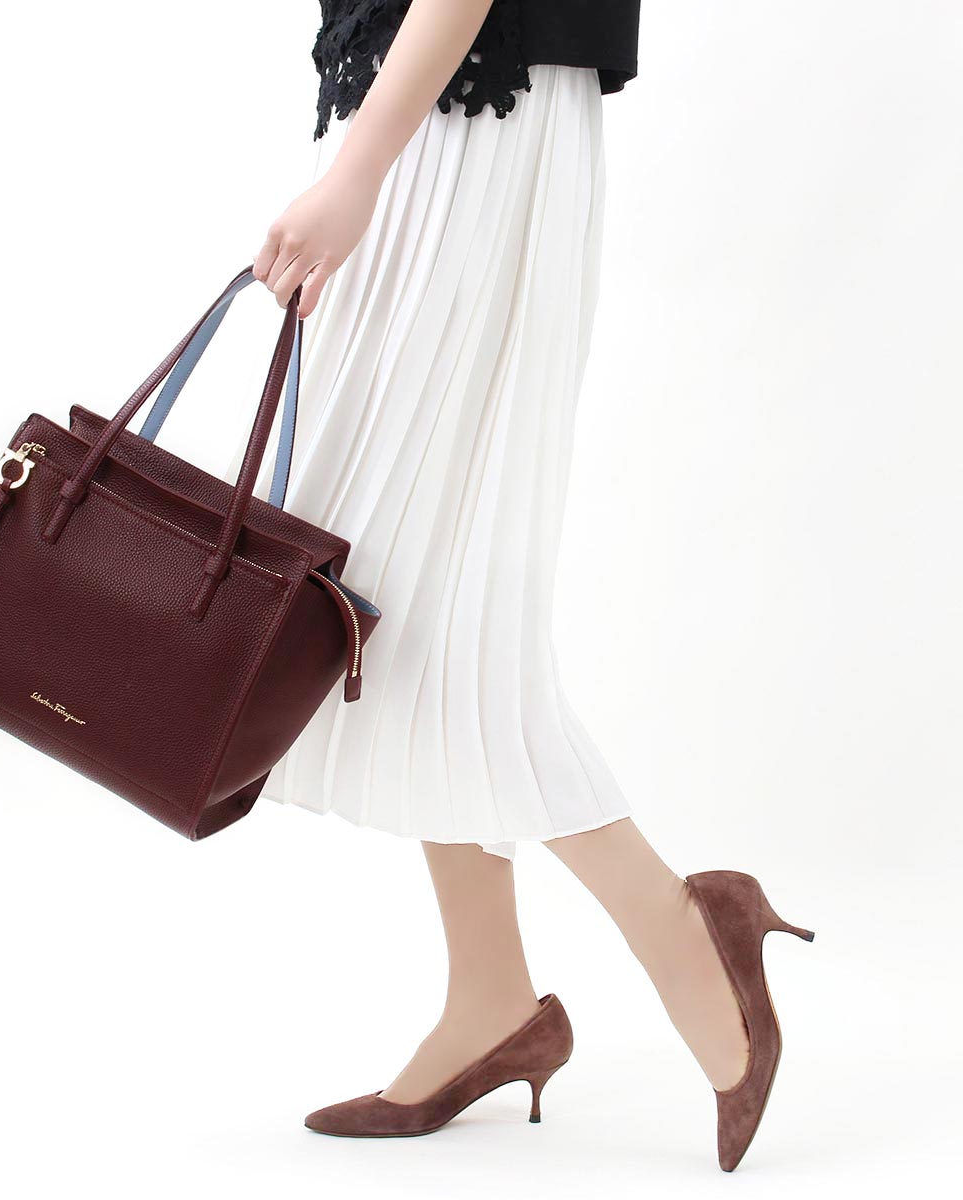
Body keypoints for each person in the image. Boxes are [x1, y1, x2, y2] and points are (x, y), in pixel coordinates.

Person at [247, 0, 813, 1171]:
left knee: (407, 614)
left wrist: (356, 173)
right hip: (432, 122)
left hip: (470, 132)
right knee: (395, 610)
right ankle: (490, 995)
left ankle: (683, 928)